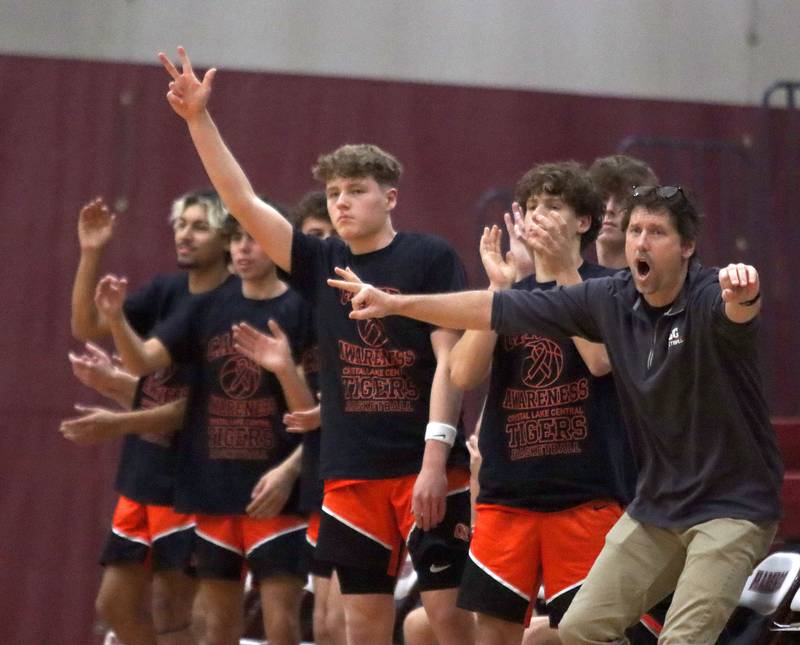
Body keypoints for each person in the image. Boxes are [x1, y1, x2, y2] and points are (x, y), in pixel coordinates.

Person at [329, 184, 782, 645]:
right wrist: (397, 303)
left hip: (730, 508)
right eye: (636, 230)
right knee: (582, 629)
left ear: (687, 247)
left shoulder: (708, 294)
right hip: (658, 508)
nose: (641, 242)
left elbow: (740, 310)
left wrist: (744, 293)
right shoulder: (610, 298)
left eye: (658, 232)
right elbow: (491, 308)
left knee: (681, 641)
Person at [158, 46, 474, 645]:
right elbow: (244, 203)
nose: (342, 201)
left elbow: (451, 364)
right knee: (358, 625)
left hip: (423, 467)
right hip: (350, 472)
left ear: (391, 197)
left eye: (356, 189)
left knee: (449, 619)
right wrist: (199, 119)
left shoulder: (428, 256)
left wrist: (436, 460)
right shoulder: (318, 259)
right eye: (333, 193)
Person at [94, 216, 316, 645]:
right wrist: (116, 320)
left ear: (276, 245)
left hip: (275, 495)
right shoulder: (207, 305)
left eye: (254, 239)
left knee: (282, 626)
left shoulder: (301, 309)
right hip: (213, 492)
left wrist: (285, 370)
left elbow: (314, 413)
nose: (243, 249)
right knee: (216, 628)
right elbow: (142, 363)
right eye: (235, 239)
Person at [449, 162, 635, 645]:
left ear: (583, 221)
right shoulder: (513, 293)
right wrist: (497, 291)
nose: (539, 216)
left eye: (553, 206)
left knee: (584, 636)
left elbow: (600, 361)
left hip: (585, 495)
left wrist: (565, 272)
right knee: (491, 636)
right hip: (506, 496)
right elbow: (464, 374)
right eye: (531, 207)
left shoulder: (612, 287)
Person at [69, 191, 231, 645]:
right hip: (143, 472)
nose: (185, 234)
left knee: (173, 605)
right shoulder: (166, 291)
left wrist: (117, 419)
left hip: (194, 480)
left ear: (227, 238)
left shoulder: (234, 305)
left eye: (199, 226)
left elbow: (196, 412)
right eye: (181, 224)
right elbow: (87, 327)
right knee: (114, 604)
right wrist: (91, 252)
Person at [589, 155, 658, 270]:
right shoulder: (574, 280)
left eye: (622, 200)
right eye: (603, 198)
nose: (609, 208)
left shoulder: (653, 284)